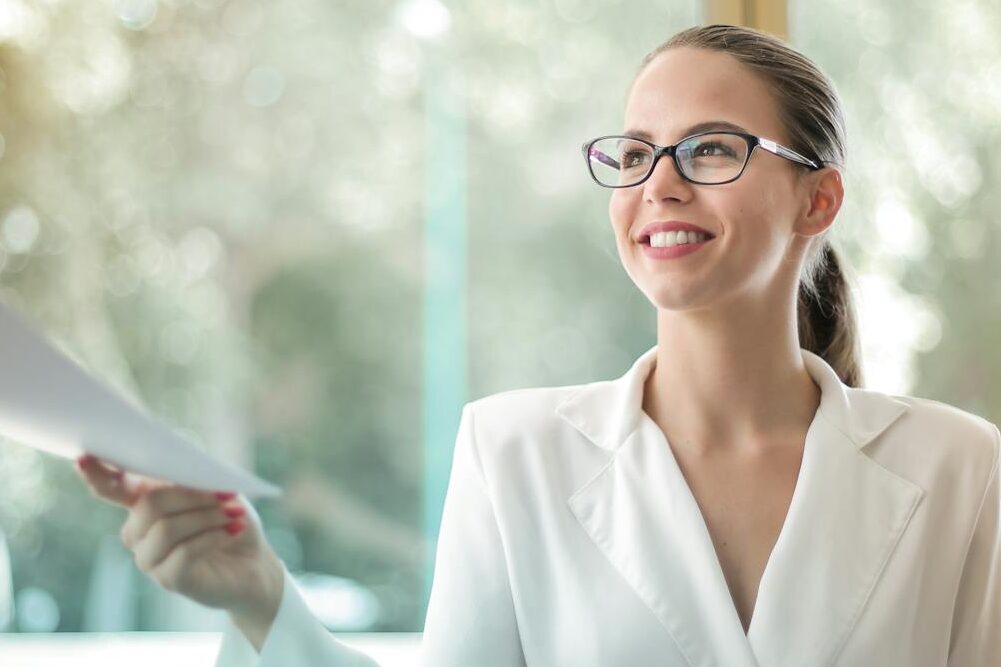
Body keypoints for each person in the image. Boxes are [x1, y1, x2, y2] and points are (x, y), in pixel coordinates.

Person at [77, 23, 1000, 666]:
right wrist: (258, 597)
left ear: (818, 200)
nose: (661, 183)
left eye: (710, 149)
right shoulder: (512, 451)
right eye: (635, 154)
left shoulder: (958, 465)